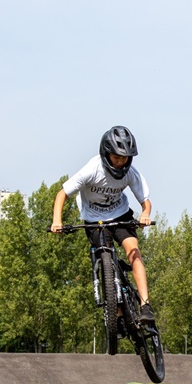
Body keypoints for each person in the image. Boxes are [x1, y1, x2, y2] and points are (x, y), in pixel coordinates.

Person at [51, 125, 155, 322]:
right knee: (103, 254)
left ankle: (145, 304)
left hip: (120, 215)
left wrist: (145, 214)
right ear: (106, 153)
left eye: (124, 158)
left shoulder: (130, 173)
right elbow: (61, 194)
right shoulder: (92, 170)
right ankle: (116, 313)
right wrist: (57, 220)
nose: (120, 163)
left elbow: (145, 202)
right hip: (94, 219)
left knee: (133, 251)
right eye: (116, 157)